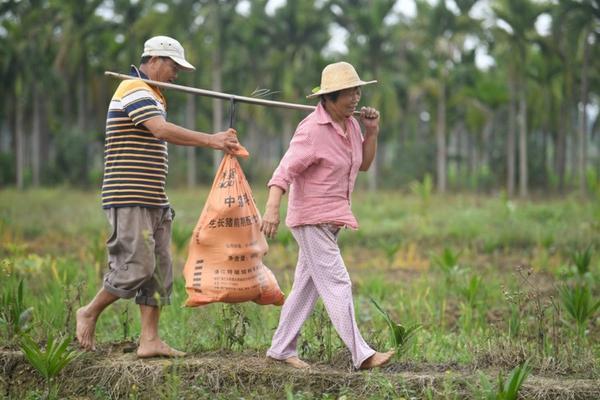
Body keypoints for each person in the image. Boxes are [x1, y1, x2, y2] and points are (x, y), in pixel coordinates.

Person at [76, 35, 240, 357]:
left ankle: (149, 340)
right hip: (129, 194)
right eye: (173, 66)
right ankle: (89, 311)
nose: (177, 74)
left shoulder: (155, 94)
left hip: (153, 197)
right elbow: (161, 130)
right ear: (154, 60)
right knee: (136, 266)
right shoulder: (133, 89)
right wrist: (213, 140)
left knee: (159, 270)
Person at [260, 61, 394, 370]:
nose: (356, 98)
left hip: (332, 220)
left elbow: (363, 165)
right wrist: (271, 210)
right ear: (329, 98)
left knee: (305, 289)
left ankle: (280, 349)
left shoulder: (352, 125)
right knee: (338, 282)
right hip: (311, 220)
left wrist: (371, 133)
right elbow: (283, 172)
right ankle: (362, 354)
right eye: (348, 93)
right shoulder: (311, 130)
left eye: (357, 91)